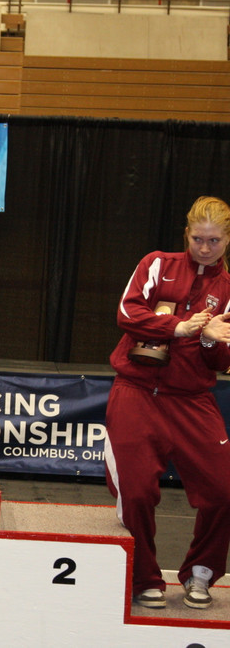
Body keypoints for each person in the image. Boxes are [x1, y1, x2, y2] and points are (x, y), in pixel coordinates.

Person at [105, 195, 230, 611]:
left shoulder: (229, 291)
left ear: (227, 239)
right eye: (198, 239)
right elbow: (127, 312)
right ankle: (144, 576)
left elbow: (220, 359)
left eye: (214, 241)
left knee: (223, 490)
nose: (205, 248)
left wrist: (211, 338)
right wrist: (177, 327)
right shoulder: (157, 263)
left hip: (192, 400)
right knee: (137, 492)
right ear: (187, 234)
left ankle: (201, 574)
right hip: (136, 392)